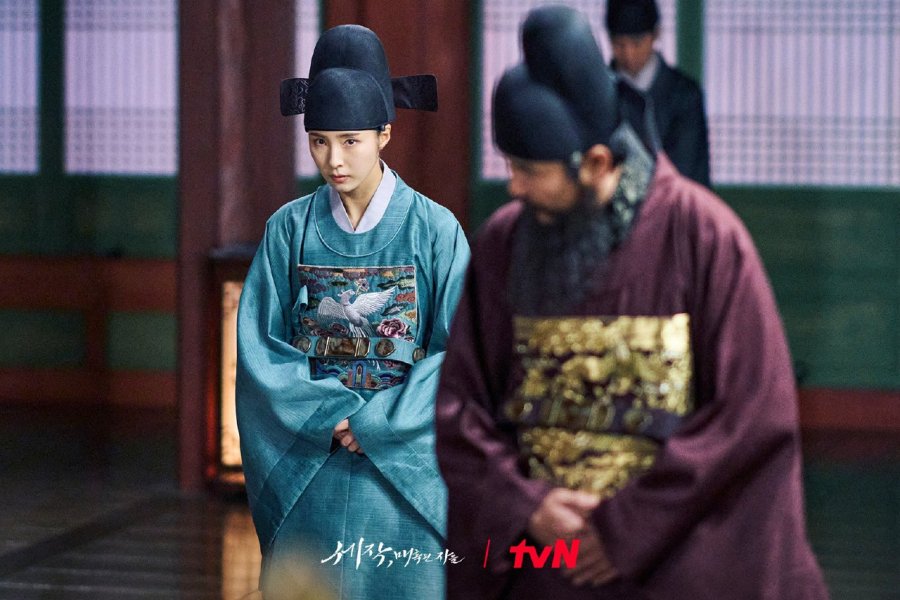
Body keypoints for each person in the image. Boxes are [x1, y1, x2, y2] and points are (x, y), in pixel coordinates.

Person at [435, 6, 828, 599]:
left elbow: (750, 415)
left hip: (671, 553)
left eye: (528, 170)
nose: (513, 187)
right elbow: (460, 405)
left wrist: (622, 530)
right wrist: (528, 504)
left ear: (596, 162)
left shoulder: (703, 235)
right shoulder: (504, 244)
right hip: (541, 551)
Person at [236, 24, 470, 600]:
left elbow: (462, 351)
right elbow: (260, 348)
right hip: (314, 458)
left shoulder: (436, 230)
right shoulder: (287, 229)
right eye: (319, 142)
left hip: (402, 462)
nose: (333, 160)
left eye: (350, 141)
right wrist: (331, 414)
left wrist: (380, 422)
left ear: (385, 133)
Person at [606, 0, 711, 186]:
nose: (629, 54)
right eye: (619, 44)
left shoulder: (683, 95)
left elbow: (690, 172)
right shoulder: (599, 91)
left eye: (637, 43)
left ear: (656, 34)